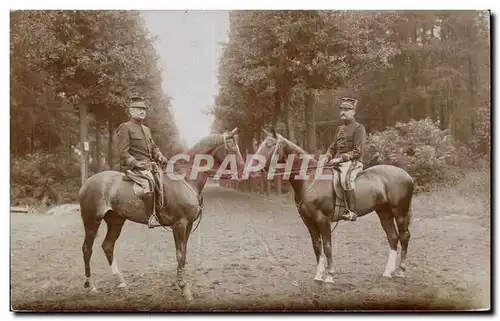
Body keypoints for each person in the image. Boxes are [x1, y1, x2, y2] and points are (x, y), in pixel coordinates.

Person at [115, 96, 168, 228]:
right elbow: (123, 151)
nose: (142, 112)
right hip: (134, 168)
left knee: (164, 180)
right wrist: (135, 163)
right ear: (131, 111)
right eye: (139, 109)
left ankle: (163, 211)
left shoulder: (146, 129)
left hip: (149, 166)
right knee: (148, 182)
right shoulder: (125, 127)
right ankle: (150, 217)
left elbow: (153, 147)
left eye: (144, 109)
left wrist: (159, 155)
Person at [325, 97, 367, 221]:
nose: (343, 112)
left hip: (353, 162)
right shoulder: (339, 129)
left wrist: (340, 159)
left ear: (353, 112)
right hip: (339, 162)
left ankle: (352, 212)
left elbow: (357, 150)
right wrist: (327, 156)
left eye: (347, 109)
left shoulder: (359, 128)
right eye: (342, 109)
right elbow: (332, 147)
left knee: (345, 180)